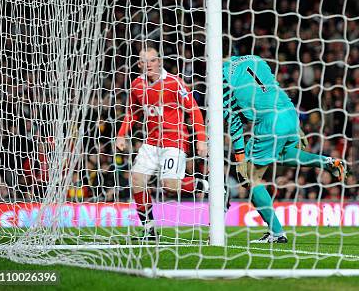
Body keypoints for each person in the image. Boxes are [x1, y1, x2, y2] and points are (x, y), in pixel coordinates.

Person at [223, 43, 346, 244]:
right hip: (290, 113)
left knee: (249, 178)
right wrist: (297, 128)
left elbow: (234, 121)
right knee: (282, 154)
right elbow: (274, 87)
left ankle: (276, 233)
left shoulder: (221, 76)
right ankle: (325, 162)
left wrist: (240, 157)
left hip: (270, 122)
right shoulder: (256, 59)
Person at [116, 42, 207, 240]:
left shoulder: (175, 83)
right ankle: (149, 230)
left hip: (174, 140)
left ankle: (210, 187)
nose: (148, 64)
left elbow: (194, 110)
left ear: (160, 61)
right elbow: (133, 112)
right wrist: (122, 133)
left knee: (170, 186)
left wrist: (201, 139)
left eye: (153, 60)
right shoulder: (136, 85)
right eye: (144, 61)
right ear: (139, 65)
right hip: (151, 142)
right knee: (137, 179)